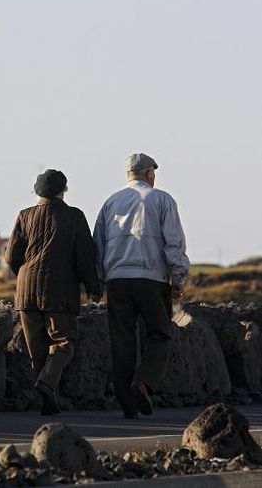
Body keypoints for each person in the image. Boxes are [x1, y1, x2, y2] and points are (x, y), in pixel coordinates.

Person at [93, 153, 189, 418]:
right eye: (154, 173)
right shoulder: (162, 200)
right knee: (159, 334)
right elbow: (174, 243)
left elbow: (97, 245)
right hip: (151, 278)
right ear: (149, 174)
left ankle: (127, 403)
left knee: (122, 341)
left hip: (117, 281)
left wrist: (100, 282)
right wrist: (178, 278)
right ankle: (143, 382)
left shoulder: (110, 202)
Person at [4, 169, 101, 415]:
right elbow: (85, 257)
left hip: (25, 293)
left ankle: (48, 401)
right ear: (63, 190)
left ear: (37, 191)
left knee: (37, 351)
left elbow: (10, 256)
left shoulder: (24, 216)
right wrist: (93, 287)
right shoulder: (74, 216)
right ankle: (47, 385)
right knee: (63, 343)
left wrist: (25, 276)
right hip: (60, 291)